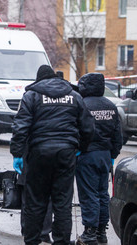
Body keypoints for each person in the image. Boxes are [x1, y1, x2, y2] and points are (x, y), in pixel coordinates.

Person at [10, 65, 94, 244]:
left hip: (39, 154)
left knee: (35, 202)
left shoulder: (31, 96)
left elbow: (20, 127)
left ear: (39, 79)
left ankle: (32, 240)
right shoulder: (74, 96)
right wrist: (80, 147)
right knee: (63, 203)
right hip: (66, 153)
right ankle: (61, 241)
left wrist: (17, 153)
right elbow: (88, 127)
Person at [75, 73, 122, 245]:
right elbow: (118, 134)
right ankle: (102, 232)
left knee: (89, 194)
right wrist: (112, 155)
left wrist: (78, 150)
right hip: (105, 156)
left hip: (87, 155)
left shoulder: (82, 105)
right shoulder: (111, 106)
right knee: (103, 194)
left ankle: (89, 233)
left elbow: (78, 131)